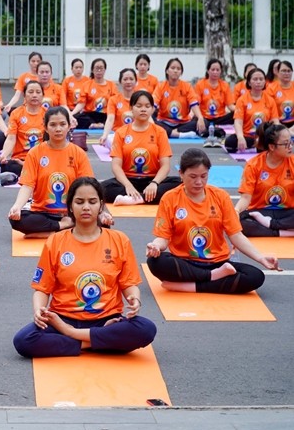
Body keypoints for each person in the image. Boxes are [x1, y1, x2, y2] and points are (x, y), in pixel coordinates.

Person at [12, 177, 156, 358]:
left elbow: (128, 284)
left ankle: (75, 338)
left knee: (146, 329)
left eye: (92, 202)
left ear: (101, 205)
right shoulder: (56, 241)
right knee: (24, 340)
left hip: (107, 320)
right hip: (62, 319)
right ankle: (96, 342)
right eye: (79, 202)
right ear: (71, 206)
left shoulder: (119, 240)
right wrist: (38, 310)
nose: (86, 207)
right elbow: (42, 288)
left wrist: (134, 300)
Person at [146, 148, 281, 294]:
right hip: (185, 263)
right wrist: (155, 246)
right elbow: (163, 238)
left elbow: (236, 235)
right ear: (181, 174)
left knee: (255, 276)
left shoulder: (220, 196)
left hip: (218, 263)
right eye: (193, 176)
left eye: (204, 176)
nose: (199, 182)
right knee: (155, 262)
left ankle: (191, 286)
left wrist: (261, 258)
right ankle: (212, 278)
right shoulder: (170, 198)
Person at [8, 107, 112, 237]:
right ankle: (63, 227)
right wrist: (17, 206)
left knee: (105, 223)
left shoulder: (78, 153)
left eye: (62, 124)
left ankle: (47, 232)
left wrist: (101, 212)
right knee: (16, 219)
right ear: (45, 127)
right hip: (42, 212)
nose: (58, 129)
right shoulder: (35, 153)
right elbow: (27, 185)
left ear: (69, 126)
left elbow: (89, 186)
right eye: (53, 125)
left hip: (72, 212)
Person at [101, 90, 181, 205]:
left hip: (152, 179)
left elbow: (165, 166)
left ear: (152, 109)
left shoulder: (160, 132)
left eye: (147, 106)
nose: (143, 109)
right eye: (139, 106)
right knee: (100, 188)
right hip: (127, 180)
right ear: (131, 109)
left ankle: (136, 198)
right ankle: (142, 196)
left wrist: (154, 183)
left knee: (180, 184)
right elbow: (116, 166)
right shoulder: (121, 132)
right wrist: (128, 185)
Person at [235, 122, 294, 237]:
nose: (290, 147)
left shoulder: (292, 162)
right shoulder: (254, 165)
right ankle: (282, 232)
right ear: (272, 147)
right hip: (260, 213)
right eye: (286, 144)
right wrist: (236, 211)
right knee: (241, 222)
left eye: (291, 142)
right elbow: (246, 198)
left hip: (287, 213)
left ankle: (271, 226)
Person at [0, 80, 46, 177]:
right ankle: (30, 170)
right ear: (24, 95)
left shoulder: (48, 114)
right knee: (6, 166)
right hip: (19, 159)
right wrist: (4, 155)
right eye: (30, 92)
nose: (34, 95)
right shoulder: (16, 113)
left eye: (38, 92)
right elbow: (11, 138)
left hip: (41, 160)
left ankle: (30, 170)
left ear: (42, 95)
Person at [226, 68, 278, 153]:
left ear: (265, 82)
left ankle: (258, 145)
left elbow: (275, 121)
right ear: (249, 82)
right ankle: (255, 145)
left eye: (261, 79)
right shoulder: (242, 100)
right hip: (247, 136)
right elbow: (238, 122)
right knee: (230, 142)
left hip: (263, 136)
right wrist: (240, 137)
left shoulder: (270, 100)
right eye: (255, 79)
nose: (258, 82)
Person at [152, 58, 204, 138]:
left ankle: (170, 133)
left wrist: (200, 118)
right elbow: (153, 105)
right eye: (172, 68)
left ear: (181, 72)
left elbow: (193, 104)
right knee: (152, 122)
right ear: (167, 71)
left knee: (203, 122)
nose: (175, 71)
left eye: (178, 69)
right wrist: (148, 117)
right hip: (164, 122)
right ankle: (178, 134)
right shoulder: (160, 86)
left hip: (183, 123)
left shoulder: (187, 86)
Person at [194, 59, 235, 145]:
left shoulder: (224, 85)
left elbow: (230, 106)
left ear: (221, 71)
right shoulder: (200, 84)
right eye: (213, 70)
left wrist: (242, 111)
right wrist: (199, 117)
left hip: (220, 118)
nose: (215, 72)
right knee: (196, 121)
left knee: (236, 115)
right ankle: (216, 130)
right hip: (205, 117)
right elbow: (195, 104)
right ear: (208, 70)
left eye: (217, 70)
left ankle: (212, 130)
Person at [72, 58, 117, 129]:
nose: (99, 71)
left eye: (101, 68)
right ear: (92, 70)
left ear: (105, 70)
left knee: (115, 117)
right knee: (75, 118)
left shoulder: (111, 85)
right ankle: (93, 124)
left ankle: (103, 124)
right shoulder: (87, 84)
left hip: (106, 114)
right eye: (96, 68)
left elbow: (115, 103)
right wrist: (71, 114)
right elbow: (81, 103)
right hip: (89, 115)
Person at [98, 68, 138, 147]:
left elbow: (148, 118)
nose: (128, 82)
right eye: (125, 79)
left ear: (136, 81)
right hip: (118, 135)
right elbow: (110, 119)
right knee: (109, 140)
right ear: (120, 82)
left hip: (137, 134)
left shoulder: (140, 98)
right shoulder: (114, 100)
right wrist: (105, 135)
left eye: (131, 79)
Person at [268, 60, 294, 127]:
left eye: (289, 71)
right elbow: (269, 110)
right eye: (284, 71)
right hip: (277, 123)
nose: (287, 73)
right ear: (278, 72)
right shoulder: (271, 88)